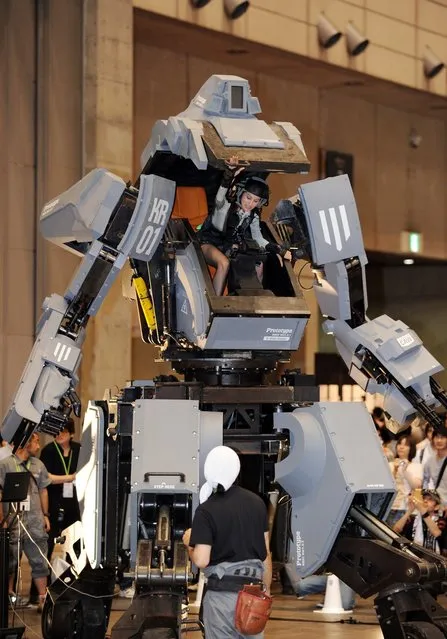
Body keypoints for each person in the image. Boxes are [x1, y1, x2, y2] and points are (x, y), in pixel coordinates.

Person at [182, 445, 272, 639]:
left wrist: (189, 543)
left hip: (222, 598)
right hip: (253, 595)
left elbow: (202, 560)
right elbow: (265, 553)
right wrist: (266, 590)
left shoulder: (206, 510)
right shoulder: (257, 504)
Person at [198, 157, 289, 295]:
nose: (250, 204)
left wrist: (278, 250)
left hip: (229, 248)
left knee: (258, 265)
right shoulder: (225, 206)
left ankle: (253, 303)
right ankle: (215, 305)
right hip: (208, 244)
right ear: (241, 193)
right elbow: (221, 194)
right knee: (224, 263)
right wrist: (229, 172)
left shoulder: (252, 216)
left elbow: (258, 238)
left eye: (255, 200)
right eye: (248, 197)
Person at [0, 433, 51, 612]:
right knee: (10, 561)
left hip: (35, 521)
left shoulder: (38, 465)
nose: (38, 444)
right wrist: (2, 520)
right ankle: (9, 596)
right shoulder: (5, 465)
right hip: (13, 521)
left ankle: (43, 599)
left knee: (39, 560)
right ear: (25, 443)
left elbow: (44, 490)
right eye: (35, 441)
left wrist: (46, 515)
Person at [39, 418, 80, 562]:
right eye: (57, 432)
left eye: (64, 431)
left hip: (74, 502)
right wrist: (70, 477)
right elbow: (47, 477)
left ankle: (73, 576)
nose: (59, 435)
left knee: (74, 539)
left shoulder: (79, 449)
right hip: (53, 500)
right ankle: (43, 580)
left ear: (71, 434)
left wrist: (69, 478)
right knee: (48, 541)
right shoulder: (48, 450)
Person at [393, 489, 447, 555]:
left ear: (436, 507)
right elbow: (395, 530)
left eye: (430, 499)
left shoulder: (442, 521)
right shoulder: (413, 519)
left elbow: (436, 533)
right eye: (424, 498)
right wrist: (409, 511)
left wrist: (423, 511)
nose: (425, 500)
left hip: (433, 558)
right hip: (412, 555)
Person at [387, 435, 422, 527]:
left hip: (405, 508)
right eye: (399, 444)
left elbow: (417, 486)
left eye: (405, 445)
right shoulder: (389, 464)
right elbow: (386, 486)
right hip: (388, 506)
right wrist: (394, 471)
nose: (401, 447)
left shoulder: (416, 466)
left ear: (411, 449)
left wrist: (405, 471)